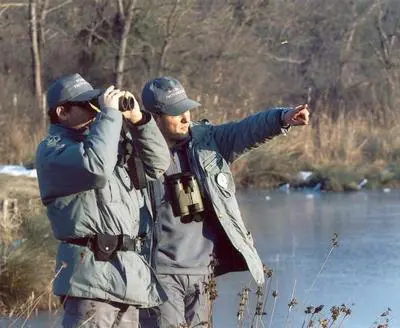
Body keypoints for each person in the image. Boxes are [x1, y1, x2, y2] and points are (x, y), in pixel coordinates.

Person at [138, 76, 310, 327]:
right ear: (155, 117)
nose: (186, 118)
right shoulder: (135, 153)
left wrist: (281, 119)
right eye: (176, 114)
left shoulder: (208, 141)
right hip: (159, 274)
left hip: (202, 273)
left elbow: (247, 130)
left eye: (187, 109)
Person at [35, 73, 170, 328]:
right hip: (91, 281)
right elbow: (96, 167)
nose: (95, 109)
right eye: (87, 105)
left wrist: (139, 121)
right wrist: (109, 116)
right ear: (62, 112)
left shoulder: (105, 142)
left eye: (96, 102)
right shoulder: (52, 149)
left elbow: (159, 164)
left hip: (129, 279)